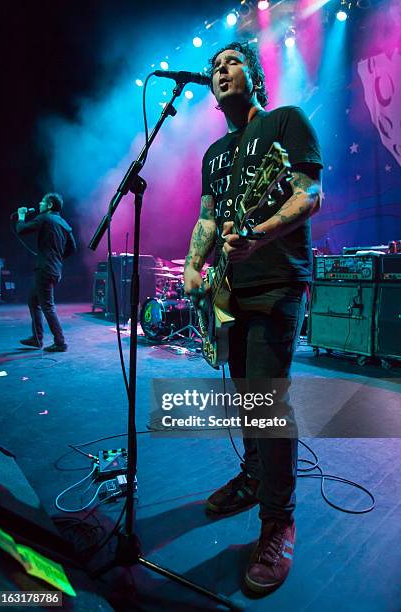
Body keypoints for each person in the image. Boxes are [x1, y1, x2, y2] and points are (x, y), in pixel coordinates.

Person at [184, 42, 322, 594]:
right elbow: (208, 217)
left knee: (267, 399)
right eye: (214, 66)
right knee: (244, 395)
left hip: (275, 283)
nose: (219, 71)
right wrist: (196, 266)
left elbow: (309, 194)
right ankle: (253, 476)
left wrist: (259, 235)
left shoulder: (287, 122)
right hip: (229, 292)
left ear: (255, 74)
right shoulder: (214, 152)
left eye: (231, 62)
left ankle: (278, 520)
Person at [16, 192, 76, 352]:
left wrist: (21, 215)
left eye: (42, 202)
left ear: (50, 205)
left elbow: (22, 229)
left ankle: (60, 342)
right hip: (55, 269)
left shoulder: (45, 218)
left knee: (47, 306)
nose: (39, 204)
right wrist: (57, 256)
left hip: (44, 269)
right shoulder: (63, 223)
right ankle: (37, 338)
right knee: (33, 301)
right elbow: (72, 248)